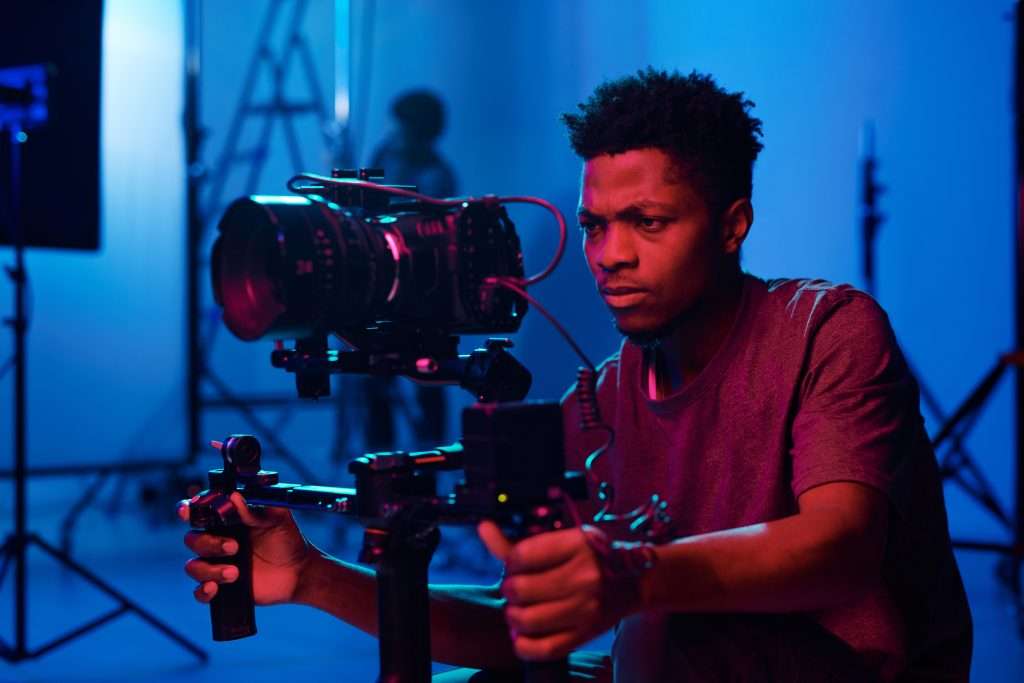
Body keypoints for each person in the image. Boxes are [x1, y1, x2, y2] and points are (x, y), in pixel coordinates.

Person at [180, 68, 972, 681]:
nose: (609, 255)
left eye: (648, 222)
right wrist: (316, 576)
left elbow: (841, 545)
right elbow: (517, 621)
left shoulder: (824, 330)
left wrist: (630, 577)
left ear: (733, 225)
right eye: (595, 226)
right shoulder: (603, 398)